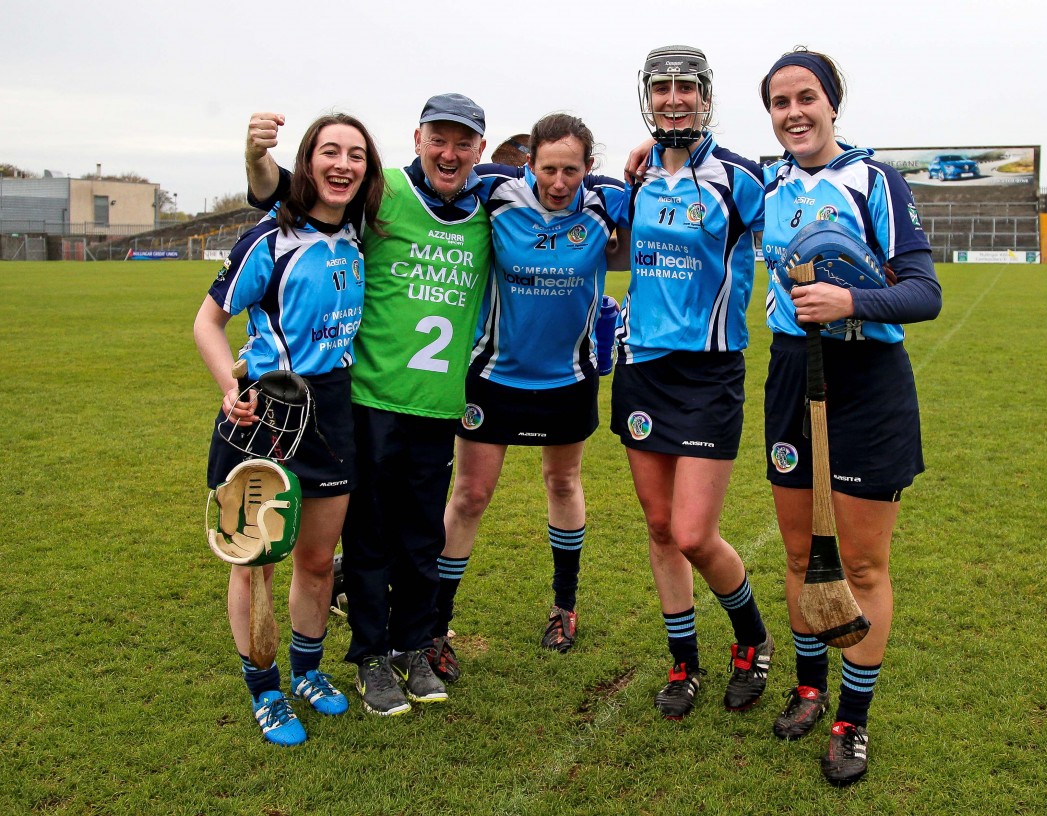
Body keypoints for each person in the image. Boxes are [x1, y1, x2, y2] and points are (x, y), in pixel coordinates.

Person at [244, 93, 493, 716]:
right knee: (370, 536)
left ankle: (413, 645)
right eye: (439, 138)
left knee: (420, 540)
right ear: (416, 139)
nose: (449, 152)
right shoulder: (379, 194)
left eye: (463, 142)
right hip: (370, 400)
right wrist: (257, 156)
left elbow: (556, 187)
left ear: (480, 151)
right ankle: (371, 656)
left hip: (437, 405)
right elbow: (291, 192)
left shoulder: (492, 205)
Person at [758, 47, 941, 785]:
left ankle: (851, 721)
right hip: (790, 375)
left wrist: (853, 301)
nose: (794, 112)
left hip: (868, 381)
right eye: (780, 102)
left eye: (807, 97)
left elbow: (924, 292)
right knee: (801, 557)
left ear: (832, 103)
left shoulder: (875, 181)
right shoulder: (765, 181)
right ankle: (807, 687)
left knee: (862, 563)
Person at [196, 112, 385, 746]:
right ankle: (265, 689)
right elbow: (207, 323)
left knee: (313, 560)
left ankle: (307, 671)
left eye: (355, 155)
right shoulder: (267, 239)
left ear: (367, 170)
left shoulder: (360, 231)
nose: (343, 165)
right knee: (254, 564)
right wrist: (231, 388)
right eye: (329, 152)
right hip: (263, 412)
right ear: (306, 164)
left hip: (331, 411)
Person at [431, 114, 628, 680]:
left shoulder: (606, 201)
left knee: (562, 483)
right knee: (469, 496)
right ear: (529, 163)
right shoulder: (498, 194)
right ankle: (436, 625)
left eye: (571, 169)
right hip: (494, 375)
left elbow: (651, 204)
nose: (559, 182)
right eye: (548, 168)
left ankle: (565, 606)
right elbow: (442, 177)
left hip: (568, 378)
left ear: (588, 167)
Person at [613, 45, 772, 720]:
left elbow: (794, 224)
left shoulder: (740, 179)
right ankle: (684, 663)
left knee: (694, 533)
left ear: (706, 97)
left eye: (686, 87)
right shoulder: (635, 180)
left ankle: (752, 640)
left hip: (710, 374)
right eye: (662, 86)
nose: (673, 96)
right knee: (657, 526)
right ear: (646, 96)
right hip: (642, 370)